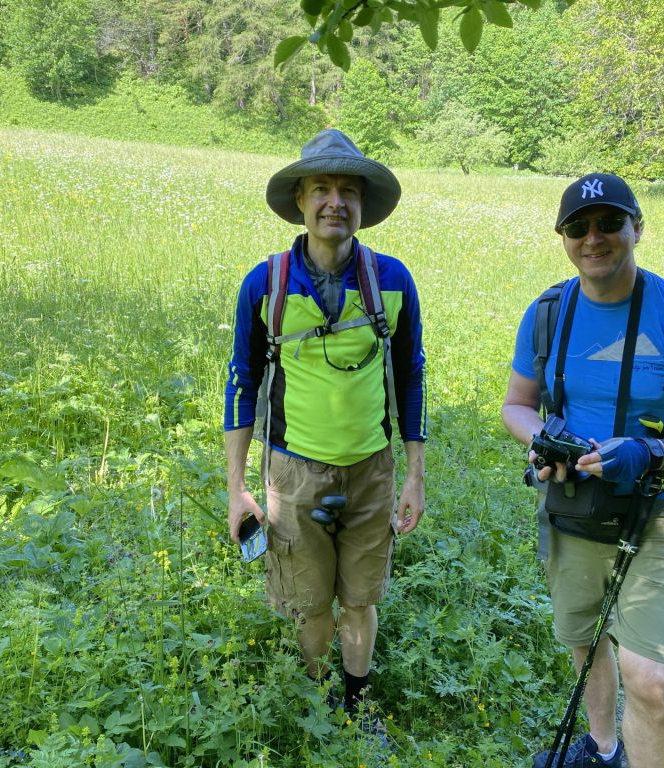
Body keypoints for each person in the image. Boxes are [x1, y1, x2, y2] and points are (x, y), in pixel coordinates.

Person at [501, 173, 664, 768]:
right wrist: (547, 442)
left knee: (648, 679)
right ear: (563, 237)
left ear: (637, 228)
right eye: (579, 227)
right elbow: (516, 405)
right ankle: (604, 748)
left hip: (651, 516)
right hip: (569, 511)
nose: (595, 238)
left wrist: (654, 452)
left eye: (609, 223)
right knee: (583, 641)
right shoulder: (547, 313)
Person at [224, 129, 427, 721]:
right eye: (321, 188)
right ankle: (314, 705)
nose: (334, 201)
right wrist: (238, 488)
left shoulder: (392, 280)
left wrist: (414, 476)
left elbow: (411, 377)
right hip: (293, 473)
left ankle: (356, 708)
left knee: (360, 602)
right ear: (301, 200)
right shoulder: (267, 283)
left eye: (346, 190)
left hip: (372, 470)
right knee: (309, 606)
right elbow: (242, 383)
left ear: (362, 206)